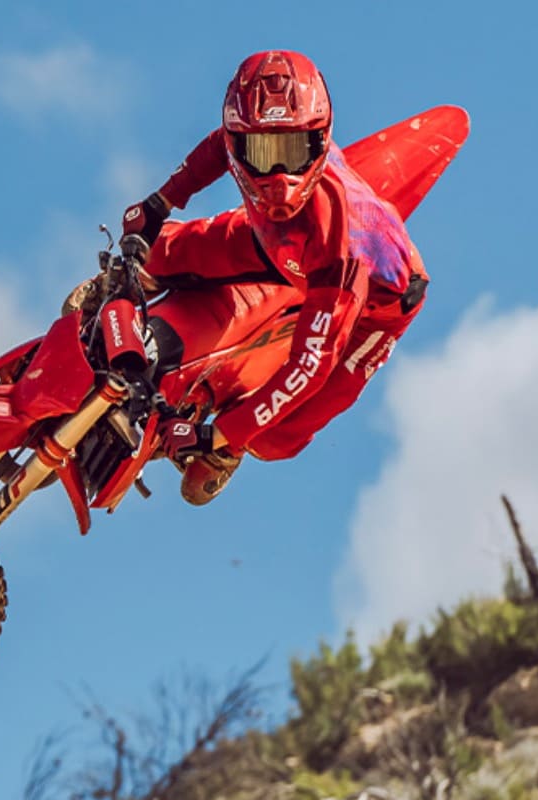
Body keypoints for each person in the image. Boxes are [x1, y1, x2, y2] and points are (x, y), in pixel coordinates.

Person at [122, 49, 429, 505]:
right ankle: (126, 286)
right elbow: (219, 147)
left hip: (371, 304)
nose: (280, 180)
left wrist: (219, 437)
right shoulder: (243, 146)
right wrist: (160, 202)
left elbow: (309, 367)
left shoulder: (340, 247)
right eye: (264, 153)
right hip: (280, 243)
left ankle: (229, 453)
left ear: (319, 141)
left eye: (292, 151)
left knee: (276, 438)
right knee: (161, 252)